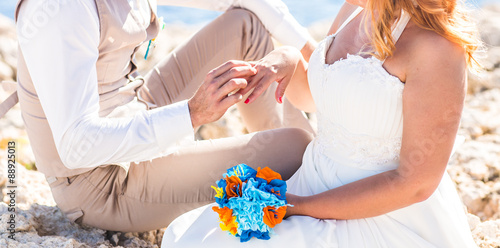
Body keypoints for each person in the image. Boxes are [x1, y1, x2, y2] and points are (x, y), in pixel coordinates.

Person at [162, 0, 482, 246]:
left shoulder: (436, 48)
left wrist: (299, 206)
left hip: (382, 214)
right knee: (194, 239)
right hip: (311, 181)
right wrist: (288, 62)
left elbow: (416, 184)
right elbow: (321, 100)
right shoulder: (355, 10)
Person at [6, 0, 317, 232]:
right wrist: (192, 114)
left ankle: (292, 170)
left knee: (245, 25)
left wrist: (314, 56)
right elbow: (77, 147)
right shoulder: (61, 9)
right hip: (101, 180)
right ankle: (297, 168)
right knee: (296, 146)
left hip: (136, 105)